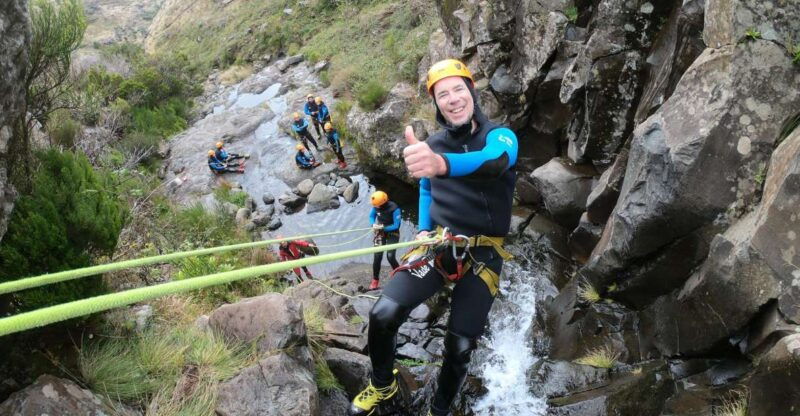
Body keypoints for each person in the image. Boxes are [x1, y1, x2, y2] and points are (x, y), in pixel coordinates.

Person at [348, 59, 518, 416]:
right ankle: (383, 384)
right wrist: (424, 229)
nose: (453, 99)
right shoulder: (434, 143)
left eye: (459, 89)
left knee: (458, 347)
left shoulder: (499, 136)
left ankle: (438, 409)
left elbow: (494, 163)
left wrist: (442, 164)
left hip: (482, 254)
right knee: (383, 315)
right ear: (436, 103)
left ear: (472, 93)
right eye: (444, 94)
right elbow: (426, 188)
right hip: (439, 244)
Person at [368, 191, 401, 291]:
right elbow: (371, 216)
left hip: (393, 233)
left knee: (390, 256)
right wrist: (373, 224)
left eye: (377, 205)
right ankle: (375, 279)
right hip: (380, 232)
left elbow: (396, 225)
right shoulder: (375, 207)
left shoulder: (395, 208)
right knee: (377, 256)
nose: (375, 207)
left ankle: (399, 275)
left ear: (382, 203)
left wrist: (383, 228)